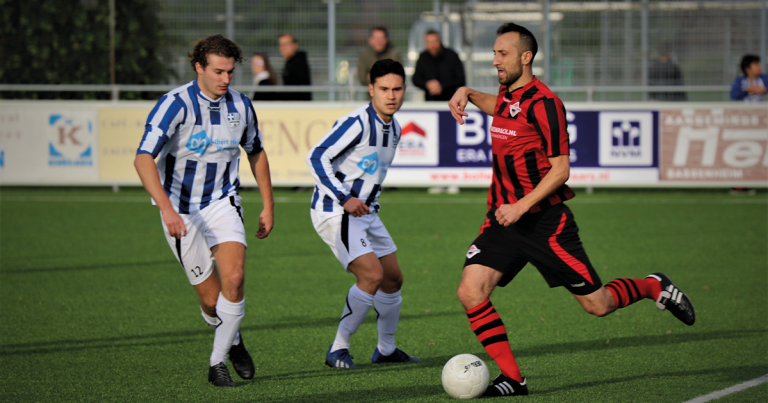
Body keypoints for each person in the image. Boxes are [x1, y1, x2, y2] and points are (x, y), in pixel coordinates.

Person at [448, 23, 695, 397]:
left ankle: (652, 286)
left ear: (525, 57)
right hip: (503, 220)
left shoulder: (546, 104)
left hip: (545, 223)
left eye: (503, 54)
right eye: (495, 53)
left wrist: (521, 206)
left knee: (597, 305)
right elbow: (499, 108)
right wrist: (467, 92)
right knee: (471, 291)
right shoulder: (507, 93)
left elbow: (561, 169)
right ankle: (514, 380)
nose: (495, 60)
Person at [133, 34, 274, 387]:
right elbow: (142, 158)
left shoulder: (241, 106)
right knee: (212, 301)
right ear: (199, 67)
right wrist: (166, 209)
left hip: (223, 202)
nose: (226, 79)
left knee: (236, 279)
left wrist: (268, 205)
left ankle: (216, 363)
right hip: (180, 211)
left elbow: (255, 151)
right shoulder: (174, 104)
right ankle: (234, 341)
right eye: (218, 72)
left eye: (230, 72)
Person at [306, 59, 421, 369]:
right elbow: (316, 157)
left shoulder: (394, 126)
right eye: (384, 89)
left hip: (366, 212)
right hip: (336, 210)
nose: (391, 95)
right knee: (372, 275)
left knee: (393, 278)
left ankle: (386, 349)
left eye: (397, 89)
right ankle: (338, 348)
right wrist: (344, 198)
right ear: (371, 89)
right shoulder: (357, 122)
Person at [412, 29, 466, 101]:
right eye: (429, 42)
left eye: (435, 41)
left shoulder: (452, 56)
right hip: (429, 102)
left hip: (451, 101)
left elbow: (461, 80)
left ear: (440, 41)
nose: (432, 45)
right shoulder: (423, 57)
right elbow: (416, 79)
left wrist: (442, 86)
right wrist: (427, 84)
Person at [278, 33, 312, 101]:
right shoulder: (291, 62)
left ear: (294, 45)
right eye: (281, 45)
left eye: (286, 44)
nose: (283, 48)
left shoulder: (298, 64)